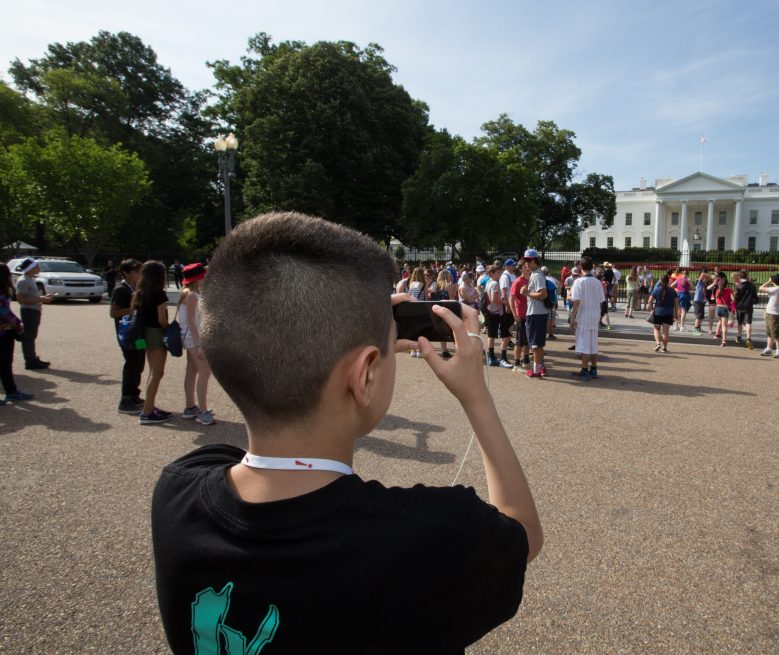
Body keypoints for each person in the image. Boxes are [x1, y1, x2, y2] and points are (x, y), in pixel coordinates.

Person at [151, 212, 541, 654]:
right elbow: (523, 531)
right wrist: (476, 396)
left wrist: (358, 333)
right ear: (365, 375)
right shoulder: (431, 536)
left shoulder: (177, 492)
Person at [135, 260, 173, 424]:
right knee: (157, 373)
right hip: (155, 334)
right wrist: (171, 329)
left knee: (151, 372)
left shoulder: (140, 292)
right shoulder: (159, 294)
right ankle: (147, 411)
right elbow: (161, 320)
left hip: (141, 336)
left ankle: (149, 406)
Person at [178, 263, 214, 426]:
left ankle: (190, 406)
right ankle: (203, 411)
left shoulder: (191, 294)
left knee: (192, 371)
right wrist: (199, 345)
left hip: (190, 338)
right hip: (193, 339)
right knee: (204, 372)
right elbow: (192, 323)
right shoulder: (192, 295)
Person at [111, 259, 147, 414]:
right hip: (128, 334)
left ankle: (134, 394)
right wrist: (133, 307)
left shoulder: (136, 288)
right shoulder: (121, 290)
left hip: (138, 334)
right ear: (126, 272)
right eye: (136, 271)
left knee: (139, 362)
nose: (139, 275)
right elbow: (114, 312)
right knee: (131, 363)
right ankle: (125, 399)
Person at [13, 258, 54, 370]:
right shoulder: (23, 281)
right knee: (29, 336)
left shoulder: (29, 279)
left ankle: (32, 358)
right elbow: (21, 299)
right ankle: (30, 361)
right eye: (36, 266)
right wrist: (41, 299)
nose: (38, 268)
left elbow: (30, 297)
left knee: (32, 335)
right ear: (30, 268)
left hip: (34, 310)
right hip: (29, 311)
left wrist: (42, 298)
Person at [569, 257, 605, 379]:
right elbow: (601, 301)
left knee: (584, 344)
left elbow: (576, 302)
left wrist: (572, 317)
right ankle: (593, 369)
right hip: (595, 314)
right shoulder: (598, 282)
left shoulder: (578, 282)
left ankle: (584, 370)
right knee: (593, 343)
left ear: (581, 267)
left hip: (583, 315)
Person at [1, 264, 31, 405]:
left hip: (5, 331)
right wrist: (18, 324)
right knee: (5, 363)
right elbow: (4, 313)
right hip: (3, 332)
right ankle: (11, 392)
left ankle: (11, 391)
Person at [523, 250, 550, 378]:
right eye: (525, 260)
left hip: (536, 313)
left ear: (535, 261)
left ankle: (537, 370)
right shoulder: (535, 274)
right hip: (537, 312)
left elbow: (543, 294)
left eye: (528, 261)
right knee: (538, 343)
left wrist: (527, 293)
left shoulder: (537, 275)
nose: (526, 263)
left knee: (535, 344)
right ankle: (541, 367)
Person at [484, 266, 514, 368]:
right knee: (505, 334)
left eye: (500, 272)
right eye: (497, 273)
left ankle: (491, 357)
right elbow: (494, 299)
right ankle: (502, 358)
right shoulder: (495, 284)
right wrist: (505, 302)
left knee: (491, 336)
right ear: (492, 273)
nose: (499, 274)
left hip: (490, 311)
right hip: (497, 312)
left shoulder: (488, 282)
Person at [759, 274, 779, 358]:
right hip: (772, 312)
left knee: (775, 333)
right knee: (770, 333)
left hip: (774, 314)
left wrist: (768, 281)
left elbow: (761, 288)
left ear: (774, 281)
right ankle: (769, 348)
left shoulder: (775, 289)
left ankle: (778, 351)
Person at [509, 259, 530, 372]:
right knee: (520, 341)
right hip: (521, 314)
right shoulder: (518, 281)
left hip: (530, 314)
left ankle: (525, 361)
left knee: (527, 341)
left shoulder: (531, 280)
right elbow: (511, 299)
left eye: (528, 266)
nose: (528, 268)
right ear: (521, 268)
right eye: (526, 266)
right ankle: (516, 364)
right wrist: (514, 314)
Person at [650, 273, 677, 352]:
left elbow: (650, 301)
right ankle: (664, 348)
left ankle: (658, 343)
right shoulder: (672, 291)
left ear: (661, 281)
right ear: (668, 281)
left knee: (656, 329)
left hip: (658, 311)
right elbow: (676, 304)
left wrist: (652, 310)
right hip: (669, 312)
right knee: (666, 332)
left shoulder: (657, 289)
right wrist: (676, 314)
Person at [733, 269, 757, 348]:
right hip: (748, 305)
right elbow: (755, 297)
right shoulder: (752, 285)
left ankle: (739, 336)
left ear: (740, 277)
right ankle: (748, 338)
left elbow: (736, 297)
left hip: (740, 306)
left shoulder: (739, 285)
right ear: (747, 276)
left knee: (740, 322)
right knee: (748, 323)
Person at [709, 275, 734, 347]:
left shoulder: (717, 290)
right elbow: (733, 299)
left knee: (719, 321)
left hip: (718, 308)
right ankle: (724, 340)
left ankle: (717, 334)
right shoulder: (729, 290)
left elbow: (717, 300)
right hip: (725, 308)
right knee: (724, 326)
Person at [674, 267, 692, 332]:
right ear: (688, 274)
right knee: (683, 311)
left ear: (682, 273)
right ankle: (682, 326)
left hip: (678, 294)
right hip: (685, 295)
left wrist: (677, 288)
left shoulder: (678, 279)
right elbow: (693, 287)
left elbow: (671, 285)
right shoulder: (688, 279)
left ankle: (676, 326)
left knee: (678, 311)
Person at [691, 269, 709, 335]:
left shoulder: (704, 284)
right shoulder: (700, 282)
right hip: (698, 301)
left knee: (701, 316)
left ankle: (699, 328)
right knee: (698, 316)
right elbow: (703, 274)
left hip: (701, 302)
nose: (707, 279)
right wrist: (709, 276)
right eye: (706, 278)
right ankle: (695, 330)